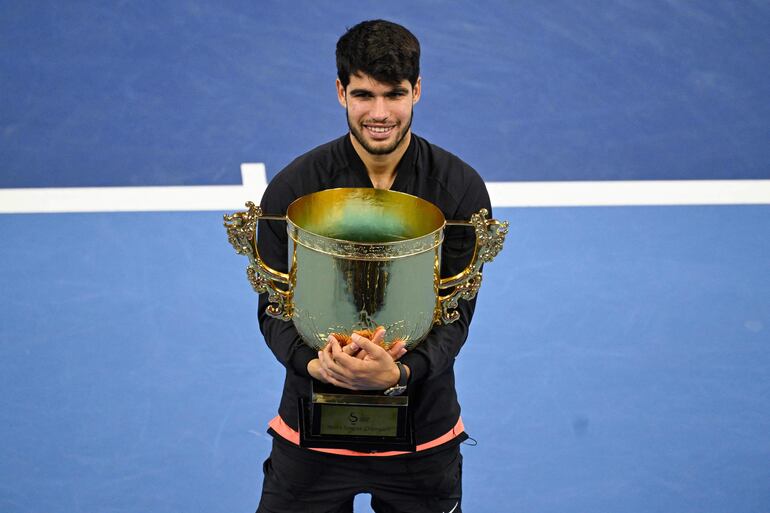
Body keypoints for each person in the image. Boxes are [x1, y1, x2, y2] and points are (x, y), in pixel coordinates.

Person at [255, 19, 492, 513]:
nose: (379, 113)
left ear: (417, 91)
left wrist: (401, 373)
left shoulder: (460, 189)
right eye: (364, 94)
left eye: (394, 94)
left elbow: (457, 315)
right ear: (341, 91)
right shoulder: (293, 188)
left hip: (420, 438)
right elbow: (274, 307)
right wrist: (313, 362)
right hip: (311, 436)